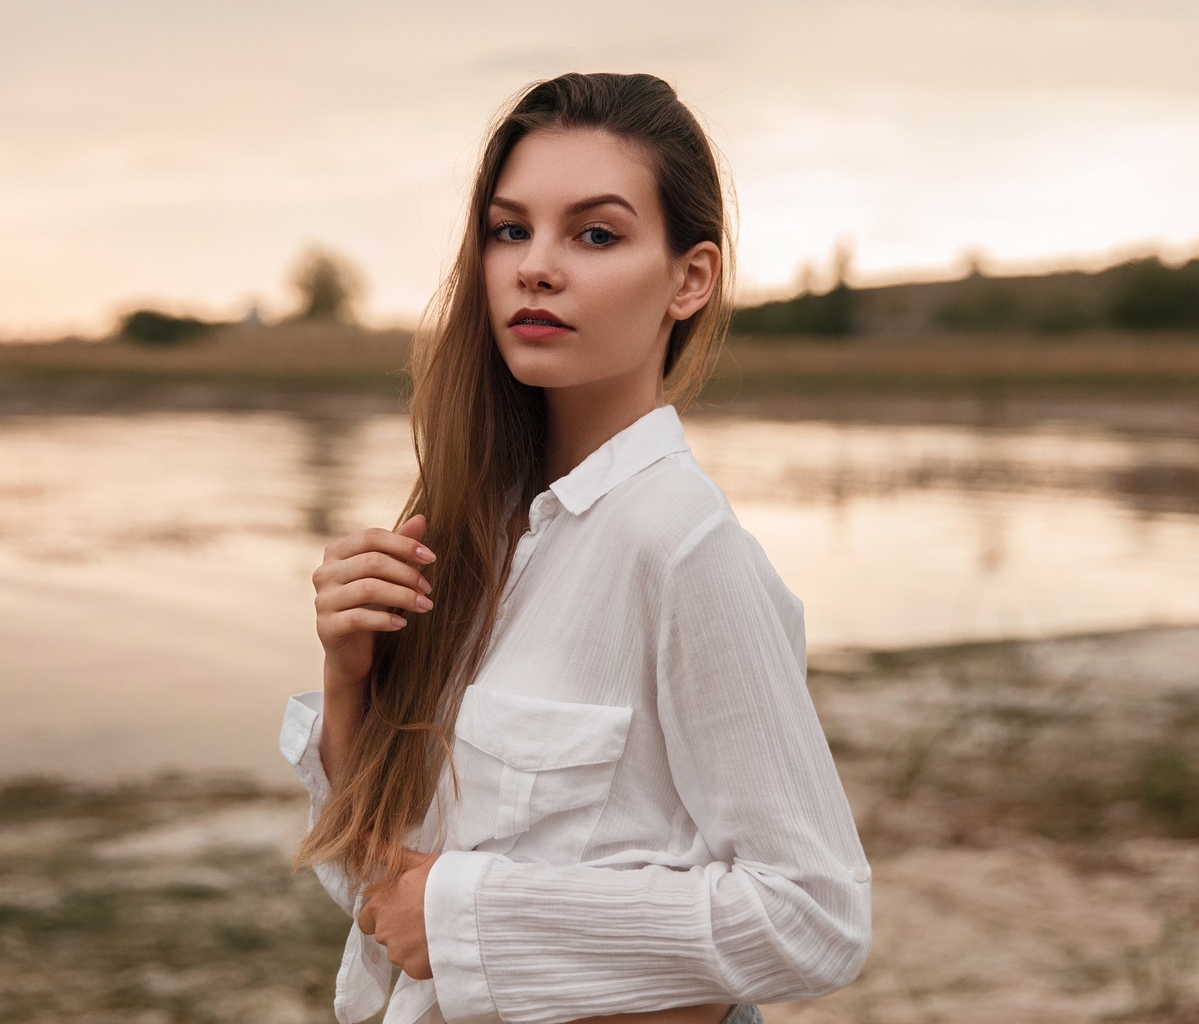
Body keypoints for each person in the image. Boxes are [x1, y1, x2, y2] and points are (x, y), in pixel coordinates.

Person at [278, 72, 871, 1024]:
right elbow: (383, 899)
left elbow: (816, 915)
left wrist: (475, 910)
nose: (535, 267)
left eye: (595, 234)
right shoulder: (475, 532)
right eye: (511, 229)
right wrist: (351, 676)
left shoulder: (683, 545)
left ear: (691, 278)